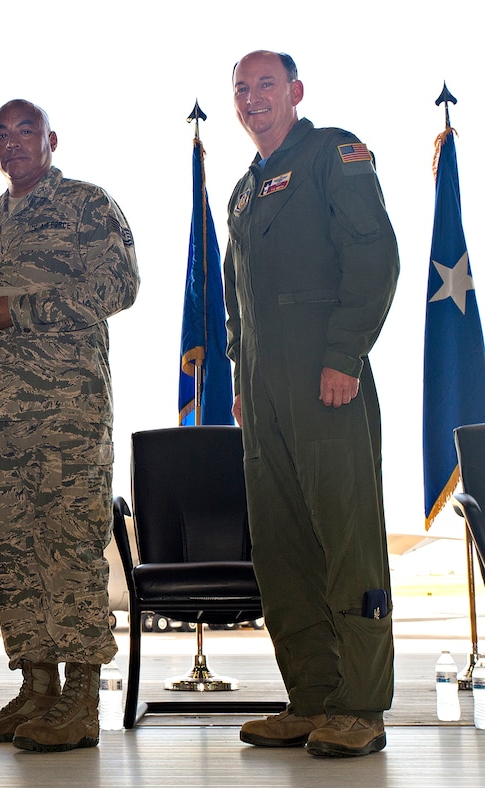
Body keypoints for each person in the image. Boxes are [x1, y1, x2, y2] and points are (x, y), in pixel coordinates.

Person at [0, 99, 139, 752]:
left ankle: (79, 703)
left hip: (71, 419)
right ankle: (36, 691)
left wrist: (25, 310)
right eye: (1, 133)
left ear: (50, 139)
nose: (11, 142)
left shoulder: (87, 206)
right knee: (12, 555)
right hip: (4, 424)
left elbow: (120, 285)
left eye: (24, 131)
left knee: (70, 554)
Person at [225, 51, 398, 758]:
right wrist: (241, 374)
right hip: (264, 392)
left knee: (347, 541)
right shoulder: (244, 189)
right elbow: (239, 296)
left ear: (294, 92)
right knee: (282, 546)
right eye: (242, 87)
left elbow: (373, 253)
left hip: (328, 379)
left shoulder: (333, 154)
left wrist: (344, 354)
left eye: (267, 85)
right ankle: (312, 698)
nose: (253, 97)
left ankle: (360, 705)